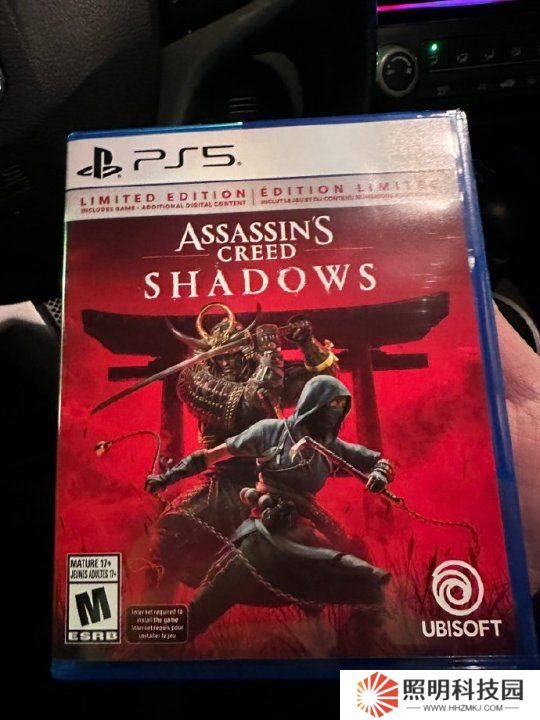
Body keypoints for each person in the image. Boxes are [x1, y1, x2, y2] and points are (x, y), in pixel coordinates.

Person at [146, 375, 394, 639]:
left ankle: (354, 647)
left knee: (367, 583)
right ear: (314, 402)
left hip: (301, 532)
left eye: (340, 406)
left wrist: (380, 473)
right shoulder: (269, 431)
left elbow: (381, 462)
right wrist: (167, 477)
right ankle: (157, 648)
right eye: (331, 404)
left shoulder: (332, 448)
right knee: (209, 603)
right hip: (262, 532)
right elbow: (209, 457)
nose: (335, 411)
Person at [147, 303, 339, 591]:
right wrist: (271, 353)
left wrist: (306, 343)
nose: (227, 362)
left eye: (234, 354)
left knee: (332, 537)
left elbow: (325, 384)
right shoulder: (195, 381)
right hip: (225, 481)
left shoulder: (259, 369)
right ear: (210, 359)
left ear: (246, 352)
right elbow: (252, 405)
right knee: (171, 531)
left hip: (272, 475)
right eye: (221, 357)